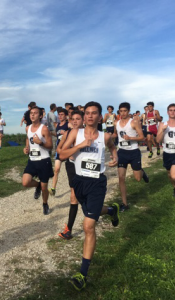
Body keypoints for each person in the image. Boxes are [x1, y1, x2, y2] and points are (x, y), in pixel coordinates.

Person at [59, 101, 120, 291]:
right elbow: (61, 154)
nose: (90, 116)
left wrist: (115, 157)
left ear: (100, 117)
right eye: (87, 113)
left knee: (88, 226)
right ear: (84, 116)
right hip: (79, 182)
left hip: (96, 183)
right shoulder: (74, 134)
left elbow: (112, 147)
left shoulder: (105, 136)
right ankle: (111, 210)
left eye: (94, 113)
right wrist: (80, 146)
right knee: (89, 213)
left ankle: (82, 274)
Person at [114, 102, 149, 212]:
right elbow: (115, 134)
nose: (123, 113)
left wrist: (130, 138)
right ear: (119, 112)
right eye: (121, 111)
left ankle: (142, 172)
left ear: (128, 111)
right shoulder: (117, 123)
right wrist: (107, 138)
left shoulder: (133, 122)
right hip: (122, 152)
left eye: (125, 111)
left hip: (133, 152)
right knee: (121, 177)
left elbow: (142, 137)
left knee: (137, 179)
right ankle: (125, 204)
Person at [57, 110, 84, 239]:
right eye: (72, 119)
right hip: (71, 165)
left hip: (85, 167)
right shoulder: (67, 133)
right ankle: (69, 230)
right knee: (73, 196)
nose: (74, 121)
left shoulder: (87, 134)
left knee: (86, 197)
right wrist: (68, 152)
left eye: (78, 119)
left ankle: (109, 210)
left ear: (83, 120)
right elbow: (59, 149)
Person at [22, 106, 54, 215]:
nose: (32, 115)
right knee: (25, 182)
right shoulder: (27, 128)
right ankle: (38, 185)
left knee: (45, 188)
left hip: (43, 161)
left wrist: (40, 142)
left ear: (40, 116)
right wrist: (27, 148)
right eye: (31, 113)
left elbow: (50, 146)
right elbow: (28, 138)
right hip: (32, 160)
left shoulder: (44, 128)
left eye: (35, 113)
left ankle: (45, 204)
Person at [156, 103, 175, 202]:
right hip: (167, 153)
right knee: (170, 175)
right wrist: (162, 130)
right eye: (171, 110)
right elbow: (158, 140)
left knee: (174, 176)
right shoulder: (163, 125)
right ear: (167, 112)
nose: (173, 112)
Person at [49, 109, 69, 196]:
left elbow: (75, 133)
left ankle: (75, 187)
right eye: (59, 115)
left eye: (62, 114)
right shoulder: (57, 125)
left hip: (68, 150)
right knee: (56, 169)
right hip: (59, 150)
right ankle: (53, 188)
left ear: (66, 115)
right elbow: (57, 135)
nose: (60, 116)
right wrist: (49, 133)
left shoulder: (69, 124)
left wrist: (66, 133)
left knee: (71, 170)